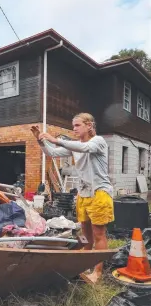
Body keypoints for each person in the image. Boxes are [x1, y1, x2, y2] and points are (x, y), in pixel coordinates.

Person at [31, 113, 114, 283]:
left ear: (89, 125)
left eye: (77, 125)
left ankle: (97, 273)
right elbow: (53, 153)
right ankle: (83, 264)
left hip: (99, 192)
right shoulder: (74, 146)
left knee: (99, 235)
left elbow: (85, 148)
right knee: (85, 234)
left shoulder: (98, 142)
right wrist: (41, 141)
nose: (74, 129)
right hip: (83, 194)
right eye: (73, 125)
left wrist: (55, 139)